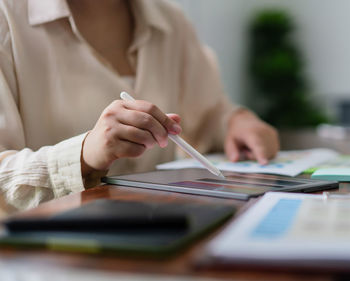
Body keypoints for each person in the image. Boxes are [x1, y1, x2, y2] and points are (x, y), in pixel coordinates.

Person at [0, 0, 279, 214]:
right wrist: (84, 155)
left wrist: (235, 121)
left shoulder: (171, 21)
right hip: (53, 259)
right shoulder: (7, 18)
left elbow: (209, 111)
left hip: (169, 239)